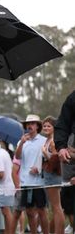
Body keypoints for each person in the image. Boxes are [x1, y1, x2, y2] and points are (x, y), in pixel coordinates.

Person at [14, 114, 49, 234]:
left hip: (39, 181)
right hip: (25, 181)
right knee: (29, 211)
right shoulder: (22, 141)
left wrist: (39, 169)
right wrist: (22, 143)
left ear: (38, 126)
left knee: (42, 211)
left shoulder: (44, 141)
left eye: (32, 123)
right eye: (28, 124)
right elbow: (17, 156)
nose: (29, 126)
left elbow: (49, 160)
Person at [54, 90, 75, 234]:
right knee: (69, 202)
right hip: (71, 149)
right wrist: (61, 147)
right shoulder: (73, 98)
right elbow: (62, 124)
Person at [41, 116, 65, 234]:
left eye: (48, 126)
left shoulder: (53, 141)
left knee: (56, 207)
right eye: (44, 126)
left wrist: (46, 154)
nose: (45, 128)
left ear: (54, 128)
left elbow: (56, 159)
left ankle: (59, 232)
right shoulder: (47, 140)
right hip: (47, 174)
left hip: (53, 175)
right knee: (54, 207)